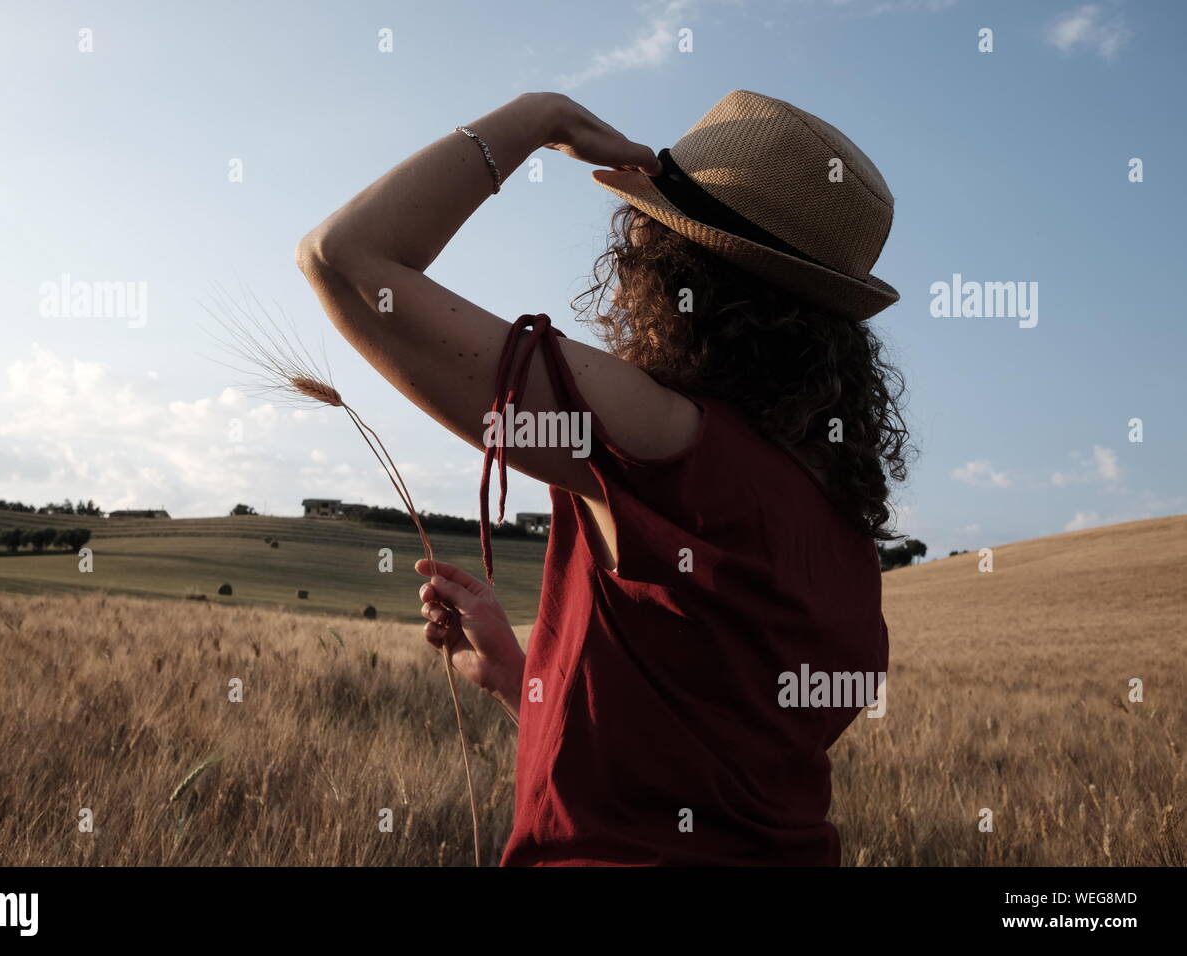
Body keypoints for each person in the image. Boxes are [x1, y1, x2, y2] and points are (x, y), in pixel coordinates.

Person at [296, 90, 909, 865]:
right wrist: (518, 679)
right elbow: (703, 764)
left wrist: (540, 117)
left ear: (667, 268)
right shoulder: (843, 526)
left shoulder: (659, 438)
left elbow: (345, 260)